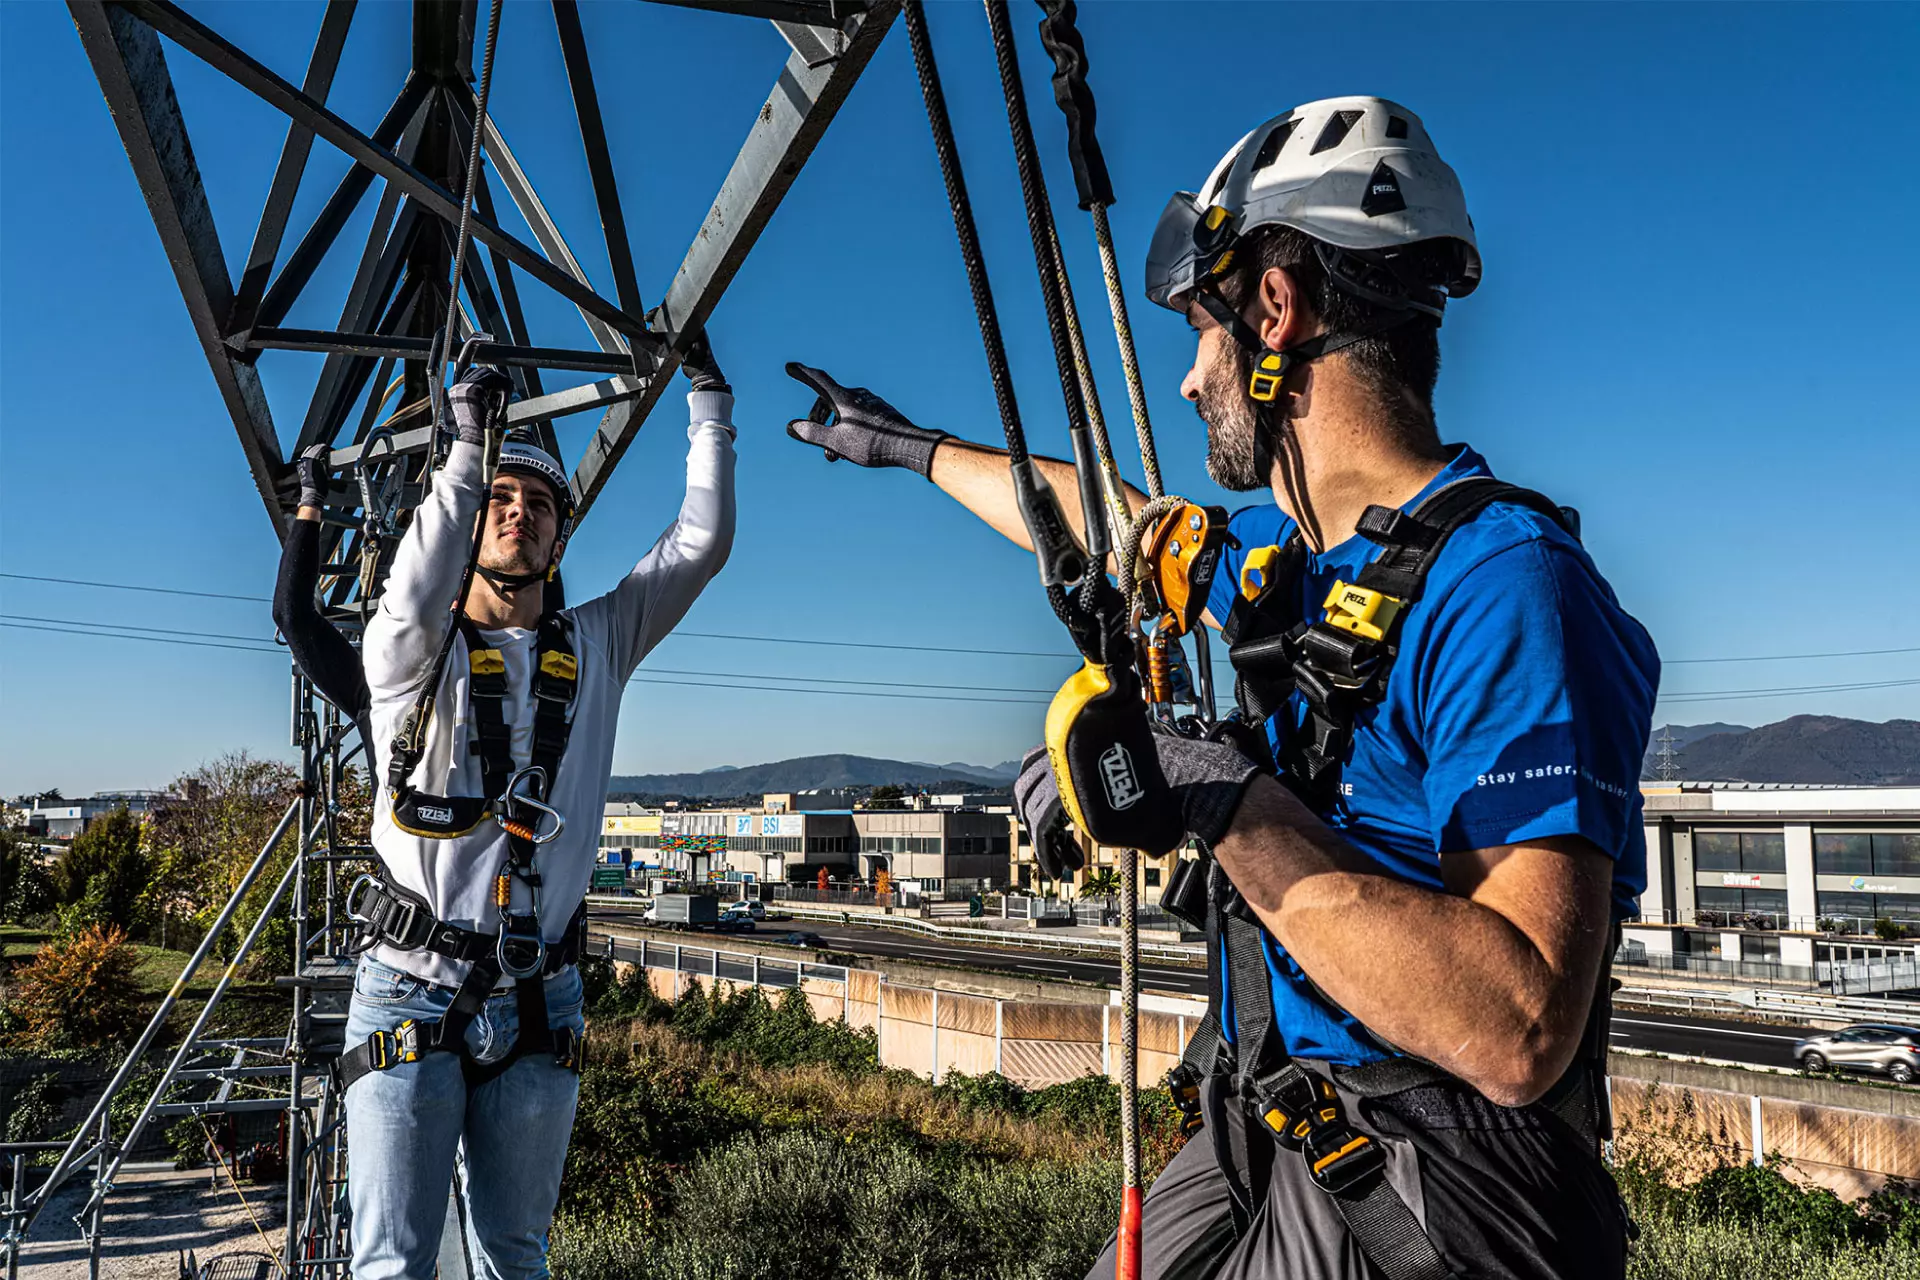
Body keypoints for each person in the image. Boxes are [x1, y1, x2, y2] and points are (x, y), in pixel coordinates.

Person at [786, 97, 1655, 1280]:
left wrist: (1219, 797)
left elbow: (1518, 1026)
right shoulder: (1295, 567)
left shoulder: (1507, 588)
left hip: (1437, 1175)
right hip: (1280, 1116)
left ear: (1275, 311)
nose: (1191, 380)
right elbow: (1107, 522)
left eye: (1202, 331)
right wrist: (909, 449)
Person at [338, 339, 736, 1278]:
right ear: (468, 521)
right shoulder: (408, 656)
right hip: (410, 981)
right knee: (393, 1264)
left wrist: (709, 406)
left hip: (537, 996)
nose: (520, 516)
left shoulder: (597, 643)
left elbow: (697, 545)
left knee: (516, 1258)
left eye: (542, 506)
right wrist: (469, 451)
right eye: (500, 504)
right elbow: (412, 587)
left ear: (561, 537)